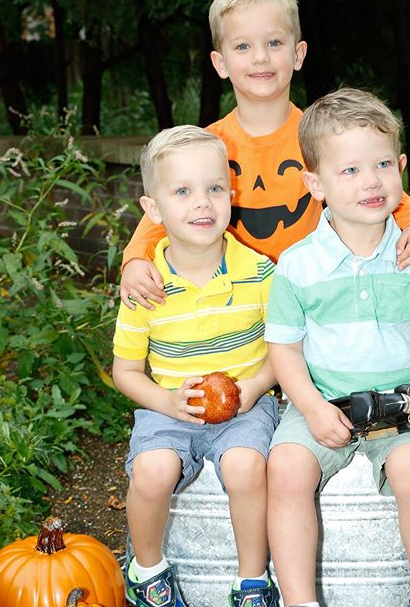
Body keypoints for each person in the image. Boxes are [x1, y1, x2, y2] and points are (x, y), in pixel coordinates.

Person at [264, 88, 410, 607]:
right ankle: (299, 601)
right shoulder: (297, 266)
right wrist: (310, 408)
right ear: (316, 183)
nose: (371, 181)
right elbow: (284, 352)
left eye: (382, 164)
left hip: (403, 398)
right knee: (287, 468)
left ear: (401, 166)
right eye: (350, 170)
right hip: (324, 398)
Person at [119, 0, 410, 312]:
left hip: (312, 301)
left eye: (274, 43)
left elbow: (375, 184)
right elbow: (165, 205)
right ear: (220, 63)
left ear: (298, 54)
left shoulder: (322, 137)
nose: (260, 57)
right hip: (234, 305)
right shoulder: (208, 146)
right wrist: (135, 259)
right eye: (242, 46)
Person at [112, 125, 280, 607]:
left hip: (247, 404)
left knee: (247, 466)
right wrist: (164, 401)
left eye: (213, 188)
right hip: (168, 406)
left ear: (232, 194)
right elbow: (126, 372)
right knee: (152, 470)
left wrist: (255, 386)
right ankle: (147, 571)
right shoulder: (145, 287)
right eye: (182, 191)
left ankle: (252, 580)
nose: (202, 203)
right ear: (154, 209)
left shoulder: (259, 272)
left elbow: (286, 349)